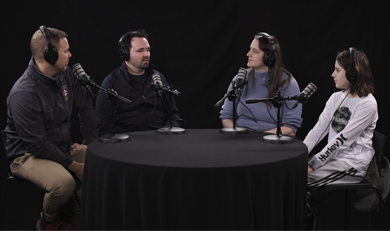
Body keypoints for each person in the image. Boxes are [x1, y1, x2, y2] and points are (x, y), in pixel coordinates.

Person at [4, 26, 98, 231]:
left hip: (59, 146)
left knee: (101, 164)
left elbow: (85, 107)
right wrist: (74, 166)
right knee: (64, 184)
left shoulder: (65, 75)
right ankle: (48, 221)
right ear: (50, 54)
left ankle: (77, 215)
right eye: (66, 51)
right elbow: (37, 144)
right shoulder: (24, 93)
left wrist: (89, 143)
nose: (70, 55)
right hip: (27, 155)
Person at [304, 47, 377, 189]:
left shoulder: (367, 104)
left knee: (299, 180)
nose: (332, 74)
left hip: (352, 164)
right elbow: (318, 130)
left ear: (352, 74)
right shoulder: (335, 98)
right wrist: (300, 155)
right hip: (333, 158)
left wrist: (312, 163)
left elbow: (342, 140)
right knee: (291, 175)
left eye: (337, 70)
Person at [94, 29, 180, 136]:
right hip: (127, 143)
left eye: (148, 50)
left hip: (160, 140)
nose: (146, 54)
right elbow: (102, 123)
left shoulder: (158, 78)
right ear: (125, 53)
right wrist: (133, 139)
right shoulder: (111, 82)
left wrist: (165, 134)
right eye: (140, 50)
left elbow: (173, 115)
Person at [219, 32, 302, 136]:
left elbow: (290, 127)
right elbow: (226, 116)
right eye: (250, 49)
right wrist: (238, 136)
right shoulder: (240, 78)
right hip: (240, 140)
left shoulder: (288, 83)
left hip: (269, 143)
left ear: (269, 57)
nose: (248, 54)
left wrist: (257, 139)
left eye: (255, 51)